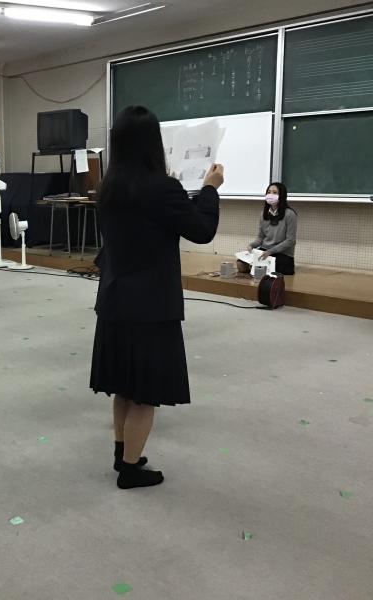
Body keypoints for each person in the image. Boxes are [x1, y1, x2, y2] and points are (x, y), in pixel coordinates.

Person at [90, 105, 223, 490]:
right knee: (145, 395)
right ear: (154, 142)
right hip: (150, 306)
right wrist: (210, 189)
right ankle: (130, 470)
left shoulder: (108, 188)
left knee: (123, 387)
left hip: (114, 299)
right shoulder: (163, 188)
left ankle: (123, 453)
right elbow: (202, 230)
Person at [239, 182, 297, 275]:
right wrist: (251, 245)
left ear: (281, 195)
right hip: (265, 251)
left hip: (282, 253)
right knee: (241, 264)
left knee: (269, 269)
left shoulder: (290, 214)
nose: (271, 195)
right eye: (269, 192)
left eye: (275, 192)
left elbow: (290, 240)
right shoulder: (263, 214)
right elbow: (260, 237)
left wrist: (270, 251)